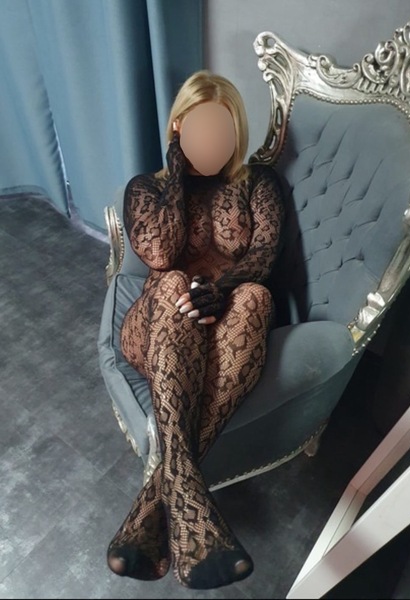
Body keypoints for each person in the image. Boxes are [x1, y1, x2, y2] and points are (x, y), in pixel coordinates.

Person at [106, 70, 284, 590]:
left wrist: (223, 288)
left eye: (223, 130)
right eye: (200, 128)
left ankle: (155, 507)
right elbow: (160, 254)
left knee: (258, 297)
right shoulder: (146, 188)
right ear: (179, 126)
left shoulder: (257, 183)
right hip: (154, 328)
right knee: (172, 281)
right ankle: (189, 504)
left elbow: (265, 252)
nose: (212, 141)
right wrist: (177, 176)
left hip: (222, 320)